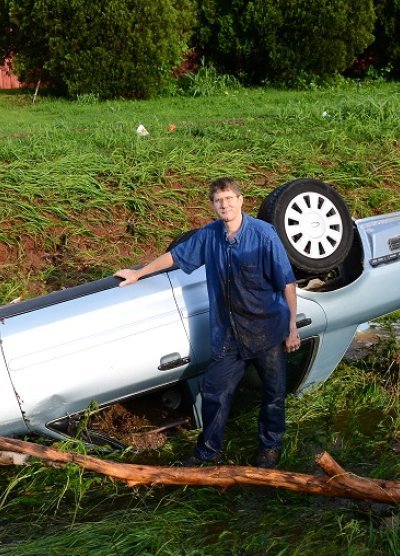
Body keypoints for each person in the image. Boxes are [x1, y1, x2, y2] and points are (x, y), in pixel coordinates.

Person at [114, 177, 300, 468]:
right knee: (214, 392)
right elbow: (175, 257)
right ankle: (208, 451)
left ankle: (270, 447)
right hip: (228, 334)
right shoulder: (209, 236)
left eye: (229, 199)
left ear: (240, 200)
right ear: (213, 206)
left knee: (273, 393)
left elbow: (287, 282)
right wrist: (139, 273)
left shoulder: (264, 235)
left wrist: (292, 328)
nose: (224, 205)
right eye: (218, 201)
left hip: (267, 329)